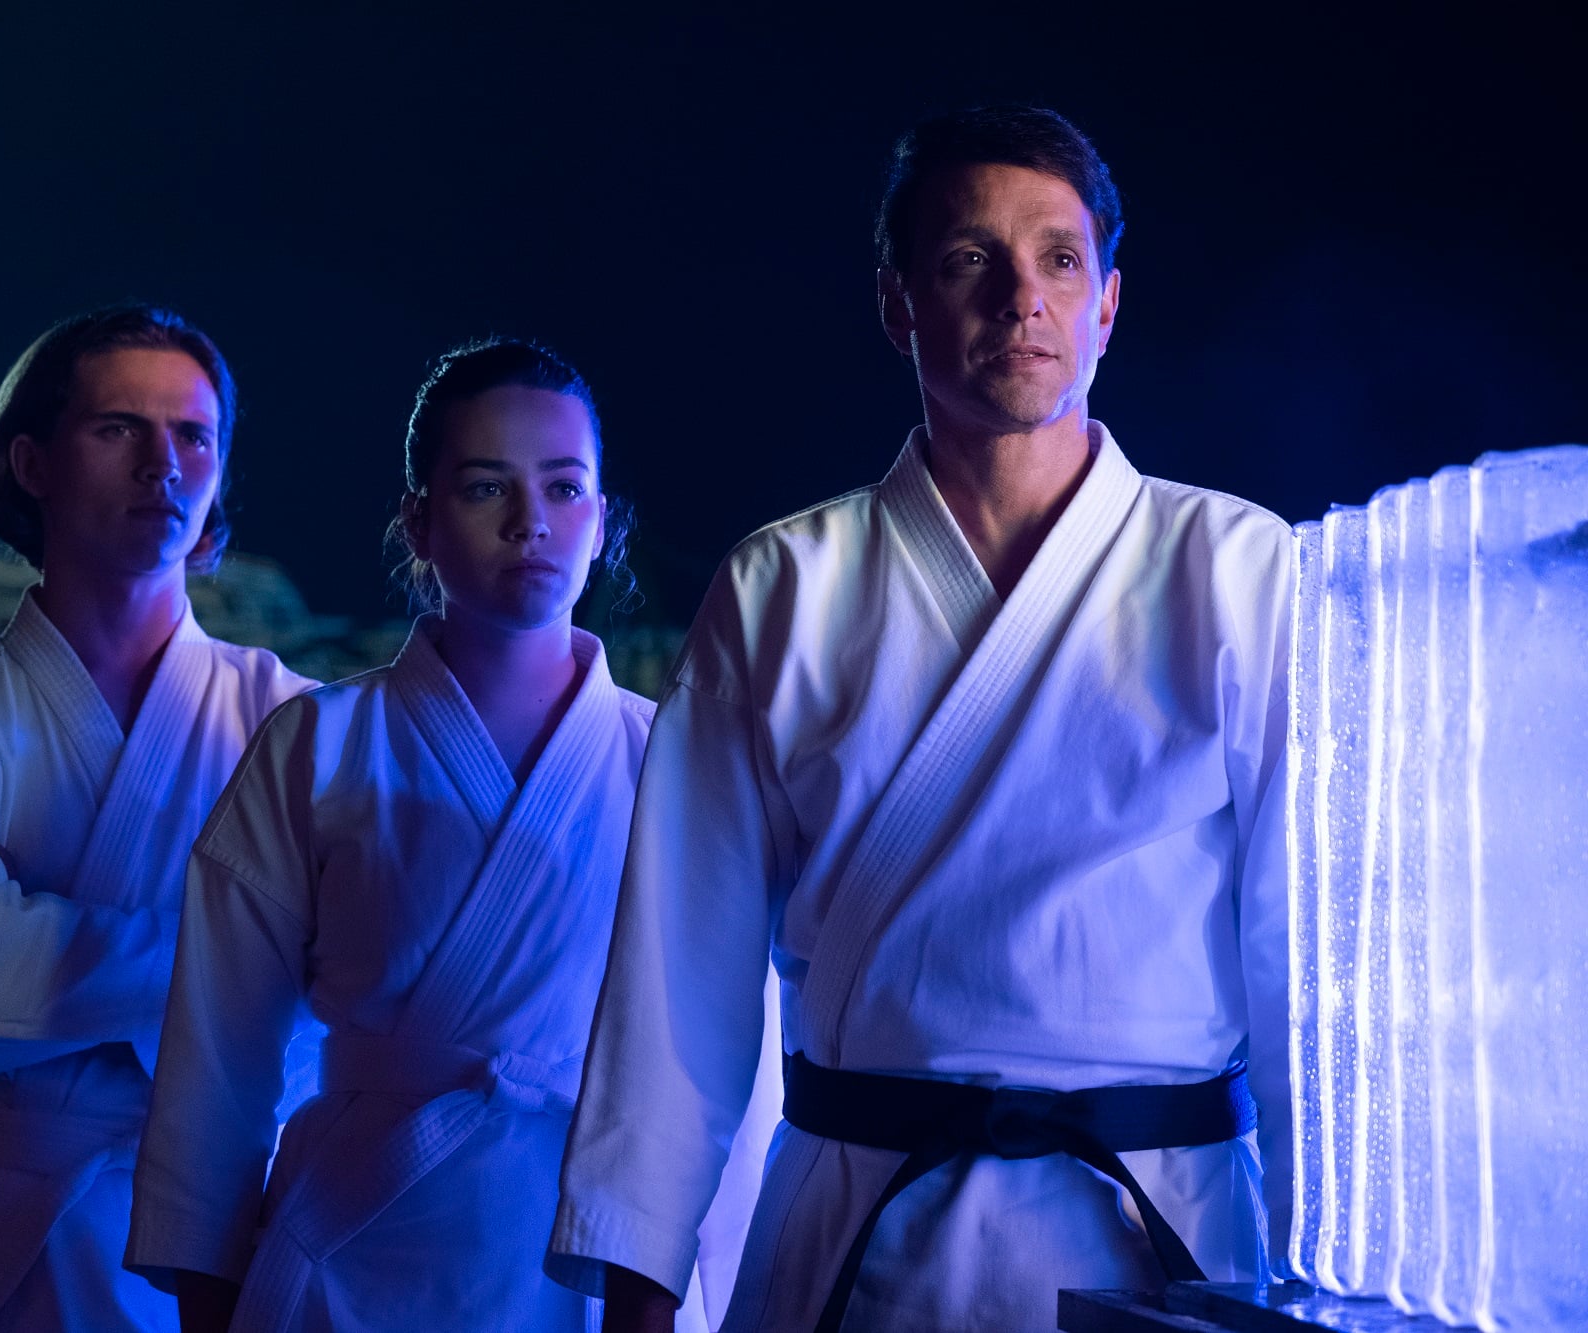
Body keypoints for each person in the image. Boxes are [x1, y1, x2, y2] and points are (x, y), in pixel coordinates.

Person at [547, 106, 1294, 1332]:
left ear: (1106, 304)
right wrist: (639, 1297)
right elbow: (679, 977)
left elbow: (1297, 965)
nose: (1020, 297)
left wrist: (1324, 1271)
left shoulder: (1239, 569)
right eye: (966, 259)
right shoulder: (781, 586)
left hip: (1170, 1238)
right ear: (896, 303)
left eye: (1058, 259)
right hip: (860, 1233)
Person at [126, 338, 777, 1332]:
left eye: (564, 487)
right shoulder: (314, 746)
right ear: (417, 521)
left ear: (603, 520)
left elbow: (730, 1080)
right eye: (485, 488)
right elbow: (215, 1071)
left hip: (594, 1269)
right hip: (351, 1255)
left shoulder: (676, 764)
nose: (531, 522)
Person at [0, 304, 316, 1332]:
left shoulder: (298, 722)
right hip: (8, 1248)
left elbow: (346, 977)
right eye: (118, 429)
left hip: (232, 1230)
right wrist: (248, 949)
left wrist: (65, 962)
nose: (164, 465)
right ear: (32, 463)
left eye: (194, 436)